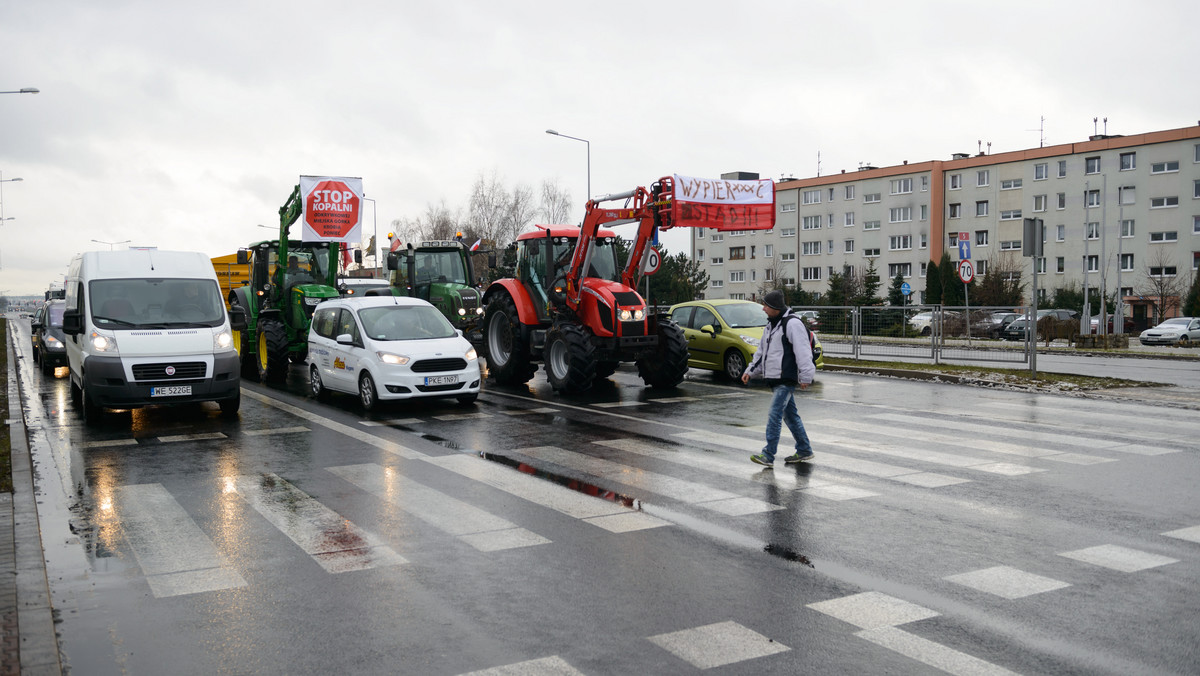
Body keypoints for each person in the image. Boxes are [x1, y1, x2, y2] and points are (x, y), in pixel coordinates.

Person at [740, 289, 815, 467]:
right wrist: (750, 371)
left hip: (786, 378)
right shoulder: (771, 326)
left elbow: (803, 351)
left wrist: (806, 376)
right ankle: (804, 449)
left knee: (774, 414)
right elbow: (761, 353)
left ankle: (768, 455)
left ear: (775, 307)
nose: (763, 308)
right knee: (790, 416)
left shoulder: (792, 324)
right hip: (775, 378)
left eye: (766, 305)